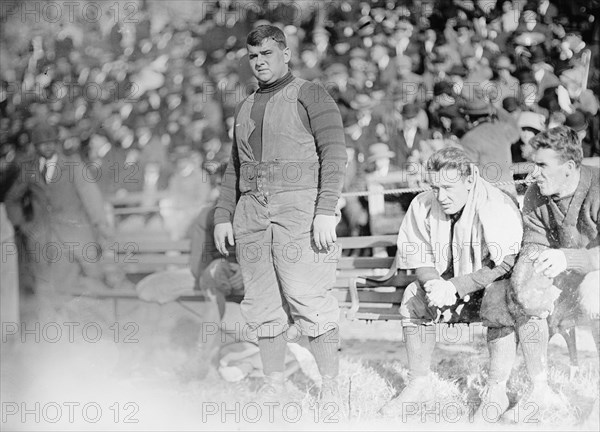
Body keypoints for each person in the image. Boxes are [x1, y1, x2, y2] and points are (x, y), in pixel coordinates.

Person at [213, 25, 347, 405]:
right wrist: (224, 214)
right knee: (261, 301)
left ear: (285, 54)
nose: (259, 62)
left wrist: (325, 210)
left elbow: (335, 154)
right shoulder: (243, 106)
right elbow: (234, 168)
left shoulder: (310, 94)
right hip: (251, 212)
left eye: (267, 54)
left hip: (300, 208)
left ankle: (331, 387)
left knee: (308, 297)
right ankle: (275, 384)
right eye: (253, 56)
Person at [379, 147, 523, 420]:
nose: (441, 196)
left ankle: (497, 391)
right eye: (435, 187)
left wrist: (457, 285)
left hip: (487, 290)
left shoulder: (495, 203)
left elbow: (504, 263)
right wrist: (433, 283)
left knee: (498, 296)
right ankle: (419, 383)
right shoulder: (422, 204)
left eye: (448, 187)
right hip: (447, 292)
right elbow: (418, 255)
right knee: (413, 294)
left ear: (469, 181)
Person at [480, 126, 599, 421]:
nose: (533, 174)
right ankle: (531, 390)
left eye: (542, 165)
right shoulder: (536, 193)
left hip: (593, 275)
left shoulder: (598, 189)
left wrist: (569, 258)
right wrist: (525, 280)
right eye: (533, 164)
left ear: (570, 167)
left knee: (594, 292)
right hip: (564, 279)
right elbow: (534, 242)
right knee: (504, 293)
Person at [5, 123, 129, 318]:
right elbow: (12, 199)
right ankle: (51, 336)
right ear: (34, 146)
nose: (46, 147)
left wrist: (101, 226)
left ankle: (81, 335)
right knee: (45, 289)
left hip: (75, 237)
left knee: (75, 288)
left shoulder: (73, 165)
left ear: (57, 143)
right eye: (41, 144)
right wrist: (22, 224)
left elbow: (92, 197)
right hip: (41, 239)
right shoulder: (28, 169)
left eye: (50, 143)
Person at [459, 98, 520, 197]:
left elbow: (468, 170)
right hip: (509, 190)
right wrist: (497, 108)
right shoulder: (502, 130)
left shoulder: (469, 139)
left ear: (467, 117)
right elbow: (516, 127)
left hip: (487, 193)